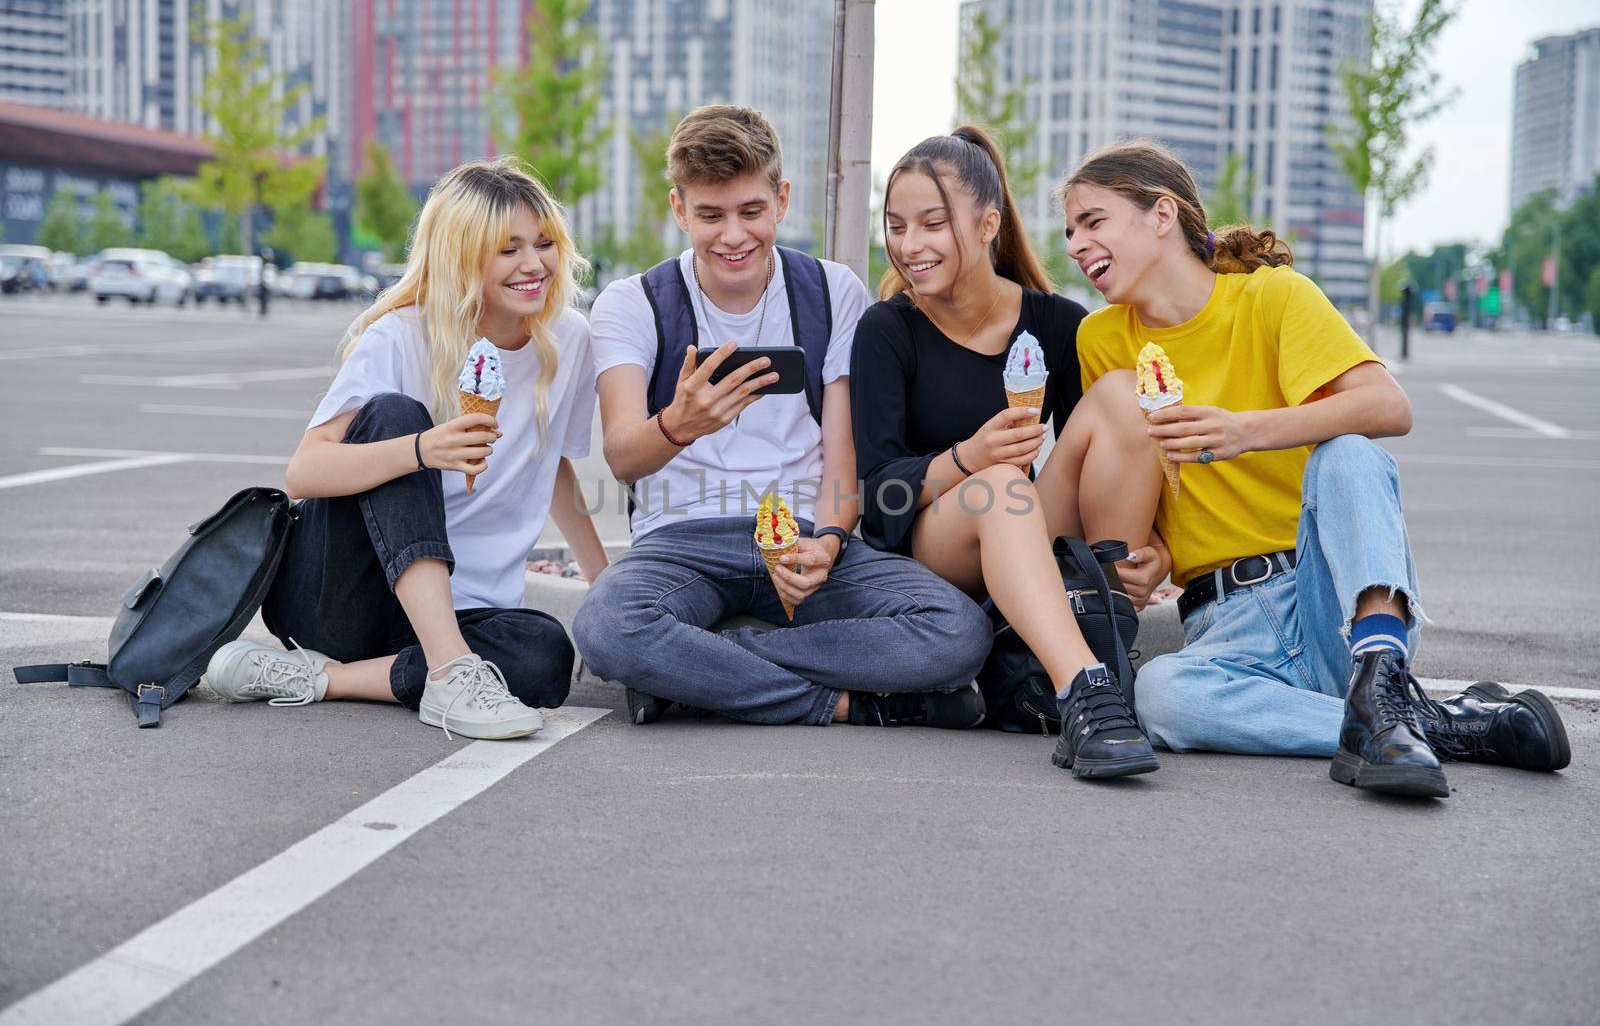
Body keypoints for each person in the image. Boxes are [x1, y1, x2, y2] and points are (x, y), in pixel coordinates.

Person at [1063, 139, 1570, 797]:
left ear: (1162, 215)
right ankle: (1428, 723)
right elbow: (1144, 466)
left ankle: (1382, 676)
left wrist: (1245, 430)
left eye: (1092, 221)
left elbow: (1389, 406)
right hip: (1224, 620)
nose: (1075, 244)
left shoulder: (1273, 298)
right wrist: (1156, 546)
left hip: (1331, 593)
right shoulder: (1101, 339)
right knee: (1161, 696)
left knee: (1350, 450)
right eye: (1070, 230)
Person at [572, 105, 992, 729]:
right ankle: (840, 703)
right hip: (681, 545)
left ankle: (703, 672)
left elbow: (842, 459)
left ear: (781, 200)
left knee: (958, 631)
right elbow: (622, 457)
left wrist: (826, 541)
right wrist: (678, 424)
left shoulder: (832, 290)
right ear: (679, 209)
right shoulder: (630, 303)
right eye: (710, 216)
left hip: (804, 531)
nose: (733, 236)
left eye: (750, 212)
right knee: (606, 627)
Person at [203, 158, 607, 740]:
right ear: (462, 255)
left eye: (544, 244)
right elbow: (304, 472)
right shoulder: (400, 336)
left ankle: (323, 679)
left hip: (466, 607)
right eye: (508, 249)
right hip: (345, 595)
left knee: (544, 654)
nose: (533, 264)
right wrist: (421, 448)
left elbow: (556, 467)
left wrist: (602, 586)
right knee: (396, 415)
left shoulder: (568, 340)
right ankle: (447, 671)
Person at [851, 127, 1165, 778]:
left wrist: (1155, 548)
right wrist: (969, 455)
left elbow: (1099, 460)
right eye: (897, 225)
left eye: (932, 223)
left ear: (988, 222)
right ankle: (1088, 691)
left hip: (1022, 521)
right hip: (934, 542)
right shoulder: (889, 329)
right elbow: (879, 496)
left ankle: (1108, 612)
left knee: (1119, 395)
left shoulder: (1056, 323)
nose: (910, 244)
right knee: (1000, 482)